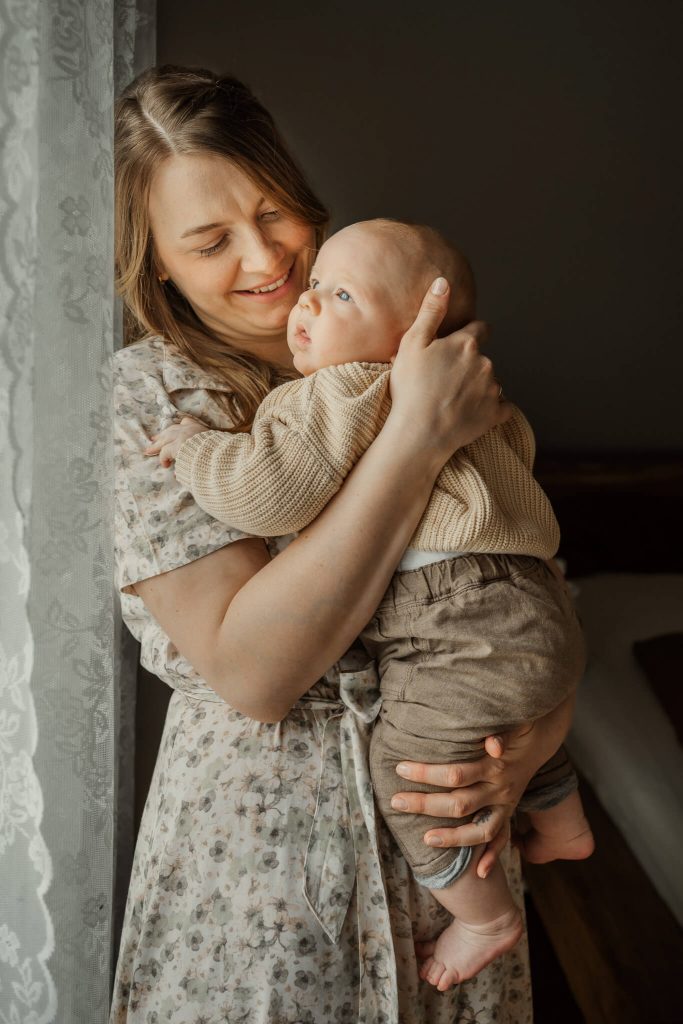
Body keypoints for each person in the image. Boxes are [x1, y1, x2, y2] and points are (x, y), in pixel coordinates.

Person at [111, 64, 576, 1023]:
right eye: (210, 241)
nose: (266, 259)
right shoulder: (156, 396)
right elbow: (255, 674)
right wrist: (414, 437)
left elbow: (516, 583)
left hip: (449, 833)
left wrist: (535, 743)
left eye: (274, 212)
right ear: (155, 261)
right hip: (268, 858)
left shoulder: (391, 335)